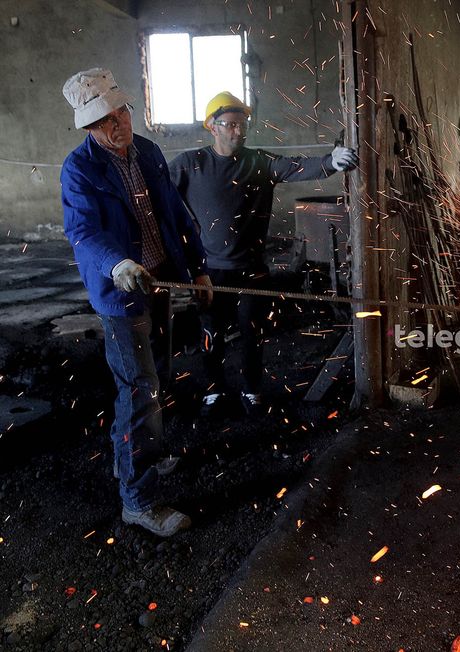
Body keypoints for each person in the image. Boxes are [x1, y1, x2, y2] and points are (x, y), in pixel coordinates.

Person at [61, 68, 213, 536]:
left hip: (160, 277)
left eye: (122, 110)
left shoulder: (146, 151)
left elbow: (174, 213)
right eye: (105, 119)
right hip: (120, 290)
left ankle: (139, 455)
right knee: (139, 390)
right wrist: (116, 264)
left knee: (155, 379)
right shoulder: (79, 169)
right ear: (89, 128)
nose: (118, 122)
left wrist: (198, 265)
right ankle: (138, 500)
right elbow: (83, 232)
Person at [169, 92, 357, 416]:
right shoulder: (190, 164)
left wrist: (331, 161)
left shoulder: (259, 162)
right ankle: (213, 391)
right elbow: (158, 194)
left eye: (243, 125)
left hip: (251, 269)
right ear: (212, 127)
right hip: (209, 272)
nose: (238, 132)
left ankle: (252, 390)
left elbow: (297, 167)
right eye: (230, 125)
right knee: (211, 334)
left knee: (252, 333)